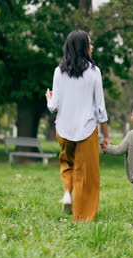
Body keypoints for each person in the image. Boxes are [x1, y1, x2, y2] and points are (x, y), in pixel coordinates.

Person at [45, 30, 109, 222]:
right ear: (82, 47)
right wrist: (106, 135)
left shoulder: (59, 71)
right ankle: (83, 216)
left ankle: (67, 192)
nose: (92, 47)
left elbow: (54, 106)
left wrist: (48, 98)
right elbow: (100, 108)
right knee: (87, 175)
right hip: (86, 130)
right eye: (89, 44)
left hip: (63, 129)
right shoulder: (94, 72)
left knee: (67, 163)